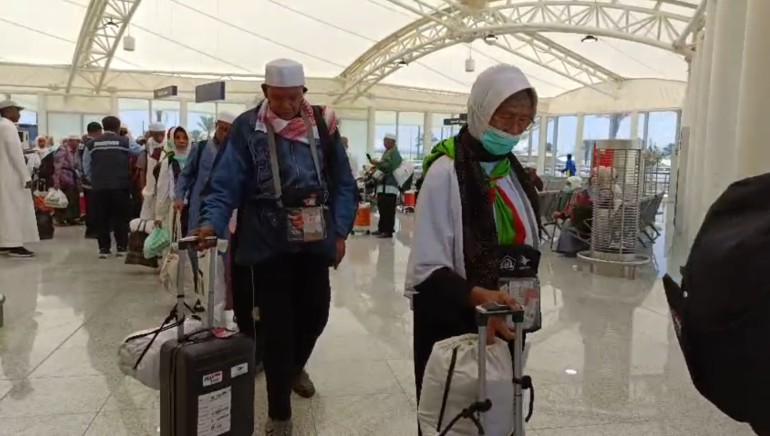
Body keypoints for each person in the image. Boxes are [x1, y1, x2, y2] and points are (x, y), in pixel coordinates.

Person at [194, 58, 358, 435]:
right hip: (266, 241)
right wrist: (211, 221)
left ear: (304, 93)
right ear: (266, 92)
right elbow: (225, 183)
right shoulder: (247, 128)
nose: (286, 105)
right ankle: (279, 412)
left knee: (316, 314)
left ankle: (294, 367)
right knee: (276, 328)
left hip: (314, 239)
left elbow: (344, 183)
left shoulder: (322, 125)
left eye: (293, 97)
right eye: (278, 97)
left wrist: (340, 232)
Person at [404, 65, 541, 432]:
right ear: (480, 111)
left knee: (499, 413)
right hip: (457, 320)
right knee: (458, 416)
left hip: (508, 317)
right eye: (505, 117)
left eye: (523, 121)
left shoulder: (510, 172)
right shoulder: (445, 173)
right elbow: (427, 268)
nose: (513, 130)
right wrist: (482, 298)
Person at [83, 115, 144, 258]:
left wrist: (95, 180)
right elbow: (141, 151)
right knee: (121, 218)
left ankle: (104, 249)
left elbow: (86, 166)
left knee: (101, 218)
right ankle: (121, 247)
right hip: (120, 186)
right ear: (118, 127)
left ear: (103, 127)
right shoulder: (124, 142)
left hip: (99, 187)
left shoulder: (91, 144)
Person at [0, 100, 39, 257]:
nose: (19, 114)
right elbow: (15, 154)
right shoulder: (8, 127)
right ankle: (14, 244)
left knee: (4, 210)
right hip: (11, 176)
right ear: (8, 111)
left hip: (4, 175)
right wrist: (25, 176)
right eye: (17, 111)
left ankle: (4, 243)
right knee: (14, 209)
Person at [369, 133, 402, 238]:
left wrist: (377, 164)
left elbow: (390, 167)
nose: (384, 143)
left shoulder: (395, 154)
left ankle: (388, 231)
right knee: (382, 208)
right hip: (382, 186)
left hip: (390, 187)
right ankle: (381, 228)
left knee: (388, 209)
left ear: (392, 142)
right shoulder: (387, 153)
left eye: (386, 141)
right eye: (384, 140)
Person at [138, 122, 167, 221]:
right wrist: (143, 189)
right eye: (156, 134)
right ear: (151, 133)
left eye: (161, 133)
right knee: (147, 217)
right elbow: (143, 170)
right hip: (150, 188)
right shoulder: (147, 147)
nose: (159, 137)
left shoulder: (169, 146)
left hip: (164, 187)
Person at [52, 135, 83, 225]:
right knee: (62, 199)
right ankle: (60, 219)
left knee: (73, 198)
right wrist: (56, 182)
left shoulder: (75, 151)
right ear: (70, 141)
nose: (78, 143)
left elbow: (77, 164)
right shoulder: (62, 151)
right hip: (63, 177)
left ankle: (72, 218)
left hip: (73, 178)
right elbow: (57, 167)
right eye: (77, 141)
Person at [82, 122, 103, 239]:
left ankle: (91, 229)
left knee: (90, 207)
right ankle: (91, 230)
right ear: (98, 131)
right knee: (93, 207)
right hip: (91, 181)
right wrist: (92, 179)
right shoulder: (91, 144)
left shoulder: (82, 143)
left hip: (86, 181)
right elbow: (86, 164)